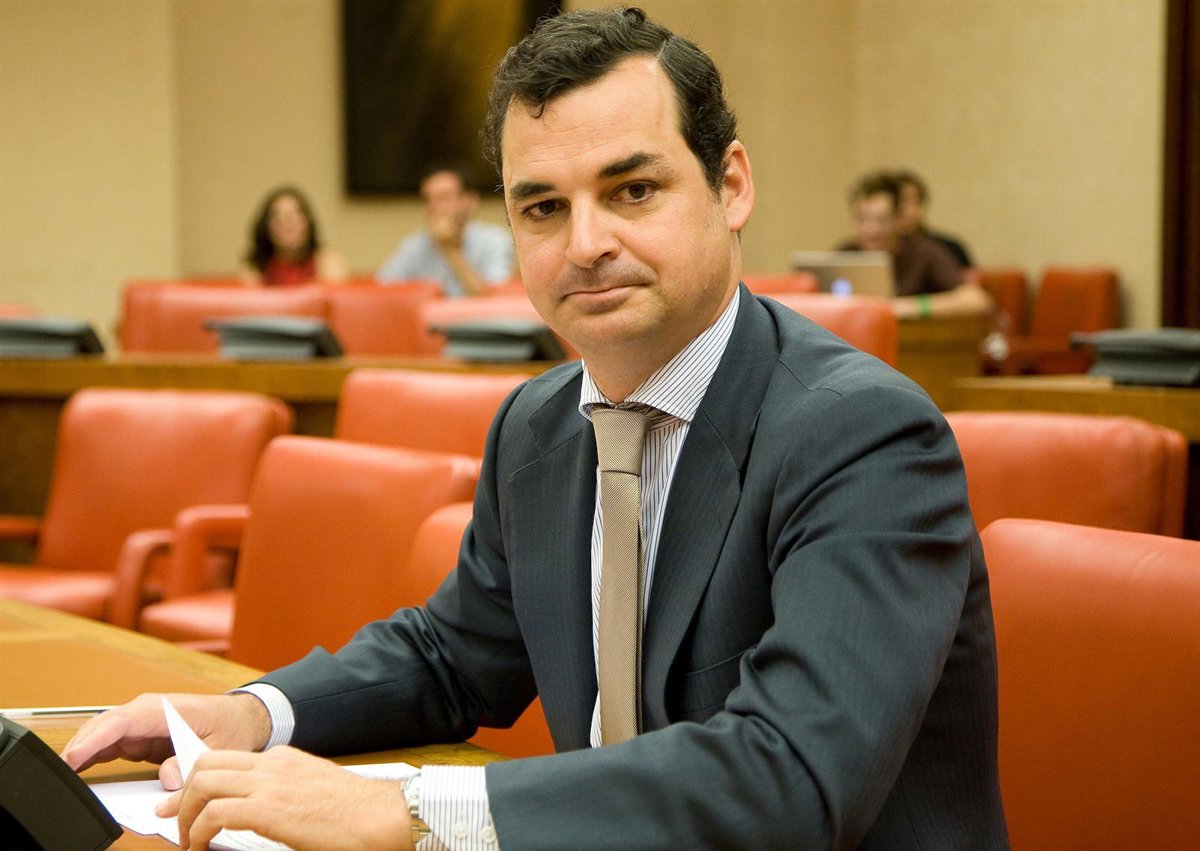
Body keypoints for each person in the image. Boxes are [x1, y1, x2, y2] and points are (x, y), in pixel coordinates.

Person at [65, 8, 1009, 849]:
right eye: (544, 207)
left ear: (730, 186)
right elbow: (452, 658)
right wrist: (252, 714)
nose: (585, 244)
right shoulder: (537, 422)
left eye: (632, 190)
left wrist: (407, 812)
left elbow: (791, 778)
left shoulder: (864, 433)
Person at [839, 171, 990, 319]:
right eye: (862, 219)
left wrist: (910, 307)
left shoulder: (924, 251)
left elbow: (976, 300)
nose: (870, 228)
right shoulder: (845, 255)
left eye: (881, 220)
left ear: (898, 218)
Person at [376, 165, 515, 296]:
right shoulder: (415, 245)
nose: (434, 207)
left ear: (469, 201)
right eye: (428, 200)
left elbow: (493, 299)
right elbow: (382, 291)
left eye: (444, 198)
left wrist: (450, 249)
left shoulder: (494, 240)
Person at [240, 186, 347, 286]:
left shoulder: (327, 262)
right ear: (267, 227)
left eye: (293, 217)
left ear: (307, 223)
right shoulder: (253, 268)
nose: (287, 224)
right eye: (278, 217)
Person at [893, 169, 974, 268]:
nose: (901, 208)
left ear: (920, 205)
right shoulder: (879, 253)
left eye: (908, 200)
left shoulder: (948, 250)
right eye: (895, 202)